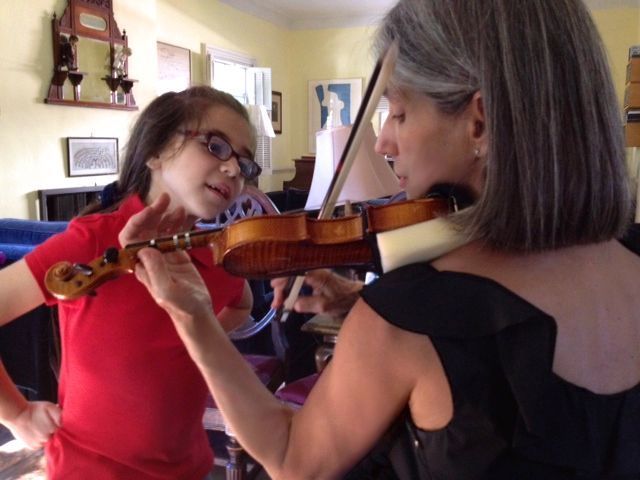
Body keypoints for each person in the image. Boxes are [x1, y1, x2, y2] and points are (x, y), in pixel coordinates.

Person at [123, 0, 640, 478]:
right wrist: (358, 303)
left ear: (479, 122)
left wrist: (192, 316)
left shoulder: (413, 313)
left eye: (397, 112)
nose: (383, 140)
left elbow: (292, 458)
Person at [0, 86, 262, 479]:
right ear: (155, 151)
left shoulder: (216, 259)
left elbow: (242, 303)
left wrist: (198, 334)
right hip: (86, 470)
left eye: (246, 164)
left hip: (188, 470)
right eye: (216, 146)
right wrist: (18, 413)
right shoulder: (90, 241)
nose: (233, 170)